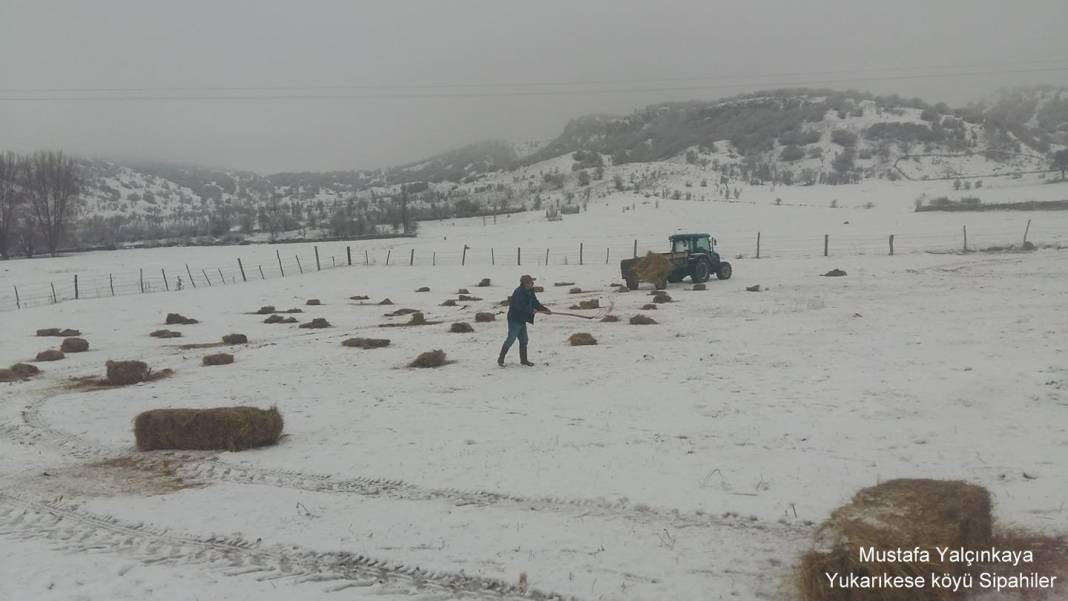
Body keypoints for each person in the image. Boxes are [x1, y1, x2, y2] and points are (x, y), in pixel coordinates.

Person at [498, 274, 550, 366]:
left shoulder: (530, 291)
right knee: (511, 339)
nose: (532, 283)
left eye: (532, 282)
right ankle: (500, 359)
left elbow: (535, 302)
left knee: (524, 339)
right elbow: (520, 306)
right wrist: (531, 310)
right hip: (514, 319)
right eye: (530, 282)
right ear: (525, 283)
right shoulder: (519, 292)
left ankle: (524, 360)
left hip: (522, 319)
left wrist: (544, 309)